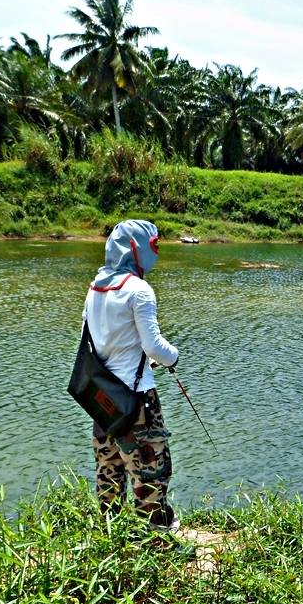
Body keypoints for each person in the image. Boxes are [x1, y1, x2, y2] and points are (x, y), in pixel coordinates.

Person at [83, 219, 180, 531]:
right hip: (137, 400)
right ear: (136, 248)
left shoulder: (96, 287)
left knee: (108, 468)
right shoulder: (139, 290)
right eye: (154, 247)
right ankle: (155, 540)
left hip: (101, 397)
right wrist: (173, 356)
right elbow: (155, 346)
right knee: (151, 469)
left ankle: (111, 537)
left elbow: (94, 343)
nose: (156, 254)